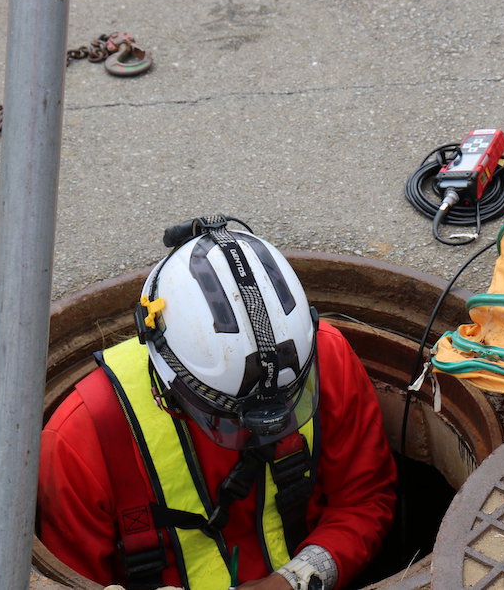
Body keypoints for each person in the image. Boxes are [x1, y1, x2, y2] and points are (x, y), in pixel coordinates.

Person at [38, 215, 398, 590]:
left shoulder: (327, 357)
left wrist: (295, 580)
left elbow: (364, 500)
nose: (253, 435)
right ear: (168, 373)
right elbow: (67, 578)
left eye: (286, 405)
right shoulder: (83, 437)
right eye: (224, 415)